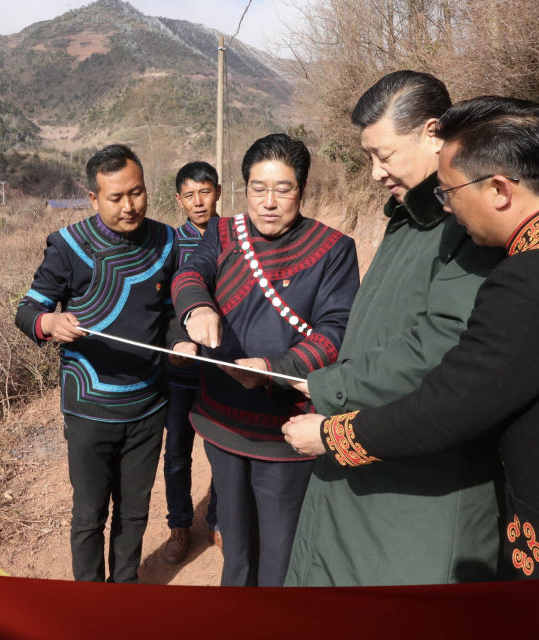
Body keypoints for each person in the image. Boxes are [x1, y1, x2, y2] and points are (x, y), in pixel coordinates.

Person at [283, 96, 539, 579]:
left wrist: (332, 436)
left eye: (449, 191)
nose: (447, 207)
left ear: (499, 189)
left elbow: (450, 406)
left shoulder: (530, 278)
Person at [280, 71, 505, 587]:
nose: (376, 173)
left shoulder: (468, 225)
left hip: (419, 493)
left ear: (433, 133)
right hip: (366, 465)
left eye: (384, 155)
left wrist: (332, 387)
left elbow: (442, 346)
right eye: (368, 158)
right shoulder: (410, 218)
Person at [172, 133, 359, 586]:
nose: (268, 202)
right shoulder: (222, 233)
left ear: (303, 189)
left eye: (283, 189)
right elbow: (191, 272)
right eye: (258, 188)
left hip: (286, 430)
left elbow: (336, 331)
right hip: (222, 418)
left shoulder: (333, 248)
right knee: (235, 545)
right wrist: (197, 308)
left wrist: (273, 370)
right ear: (244, 188)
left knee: (280, 549)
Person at [14, 144, 191, 583]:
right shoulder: (68, 246)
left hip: (148, 405)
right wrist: (49, 322)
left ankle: (124, 587)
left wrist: (182, 340)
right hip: (89, 408)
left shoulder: (167, 241)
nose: (129, 206)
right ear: (94, 199)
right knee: (89, 513)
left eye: (137, 193)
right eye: (116, 198)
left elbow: (172, 310)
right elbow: (28, 309)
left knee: (134, 511)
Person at [162, 161, 221, 564]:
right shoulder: (170, 244)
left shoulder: (235, 235)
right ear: (179, 200)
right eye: (189, 195)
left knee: (222, 448)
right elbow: (163, 306)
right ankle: (179, 525)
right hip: (181, 365)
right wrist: (176, 342)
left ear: (217, 191)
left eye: (205, 192)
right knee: (177, 451)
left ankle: (219, 521)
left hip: (223, 364)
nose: (198, 202)